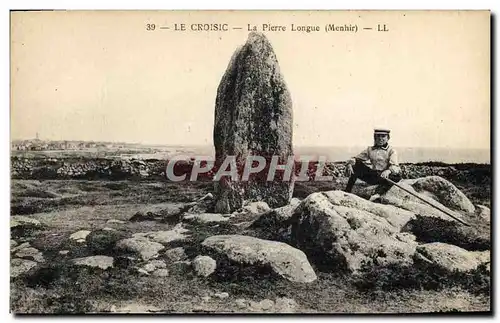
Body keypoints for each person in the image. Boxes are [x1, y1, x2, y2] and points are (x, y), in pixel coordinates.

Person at [344, 128, 402, 200]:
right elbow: (356, 158)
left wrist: (388, 171)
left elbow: (395, 166)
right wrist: (350, 164)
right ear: (375, 137)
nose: (380, 138)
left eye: (383, 136)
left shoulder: (391, 151)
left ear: (388, 138)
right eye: (378, 136)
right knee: (356, 164)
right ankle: (347, 191)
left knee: (397, 176)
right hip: (374, 176)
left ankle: (378, 194)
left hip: (385, 176)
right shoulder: (370, 149)